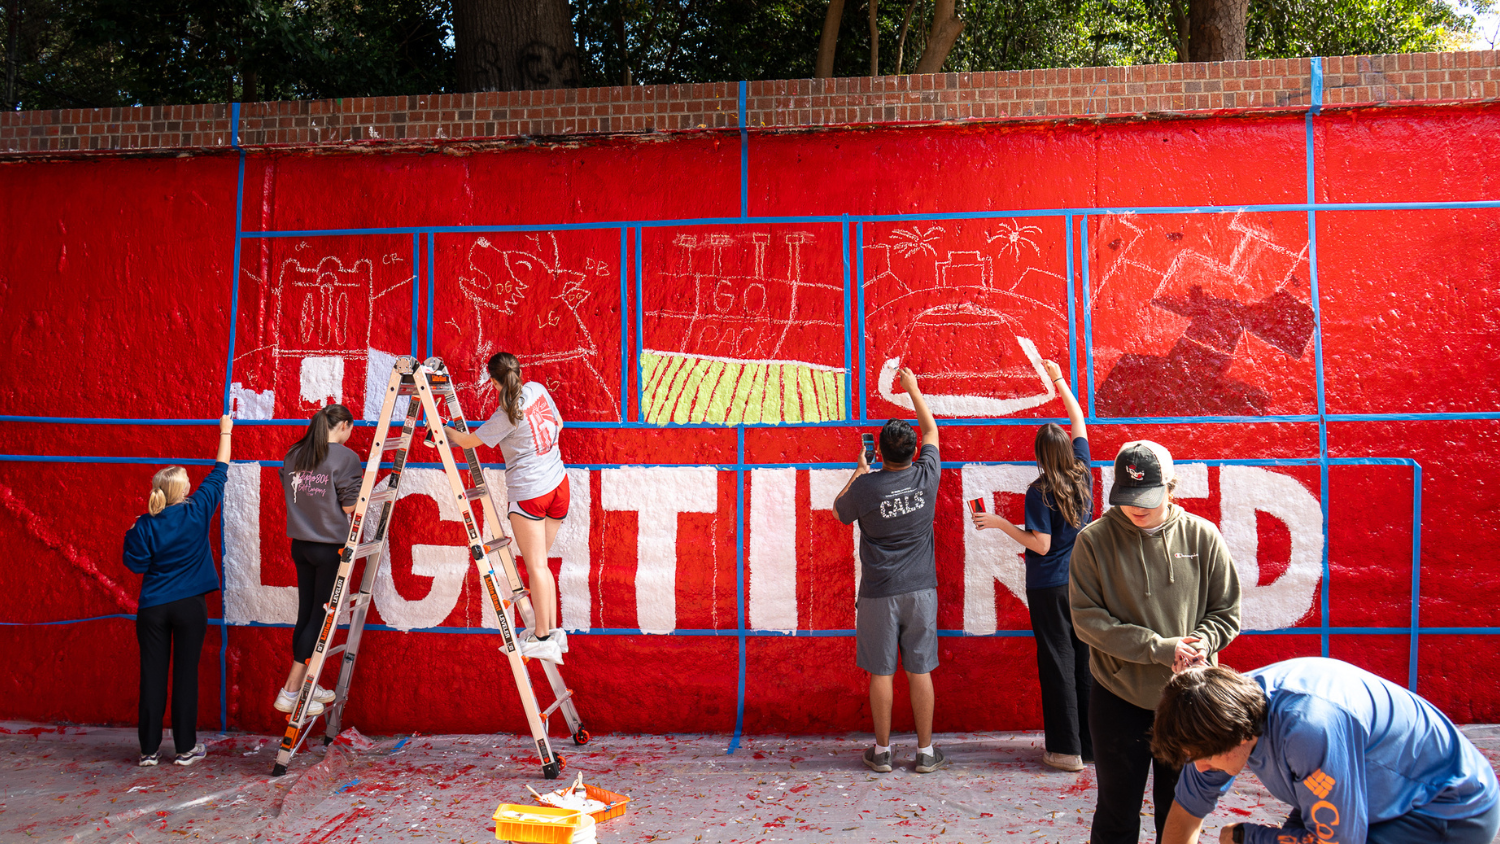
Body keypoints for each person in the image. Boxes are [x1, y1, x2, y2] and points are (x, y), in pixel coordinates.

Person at [1070, 439, 1241, 843]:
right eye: (1127, 497)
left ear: (1171, 487)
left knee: (1179, 809)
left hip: (1189, 700)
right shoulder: (1093, 541)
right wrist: (1160, 648)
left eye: (1147, 496)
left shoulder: (1202, 536)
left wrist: (1201, 643)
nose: (1136, 508)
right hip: (1119, 696)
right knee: (1116, 811)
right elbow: (1087, 620)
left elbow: (1227, 611)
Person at [1154, 659, 1500, 844]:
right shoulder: (1217, 712)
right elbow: (1186, 813)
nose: (1200, 768)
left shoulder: (1309, 729)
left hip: (1446, 811)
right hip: (1375, 796)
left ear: (1240, 736)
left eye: (1205, 758)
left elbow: (1340, 843)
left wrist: (1247, 837)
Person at [972, 359, 1093, 772]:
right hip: (1083, 586)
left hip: (1049, 587)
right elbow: (1078, 419)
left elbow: (1041, 545)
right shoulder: (1083, 474)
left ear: (1041, 456)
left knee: (1057, 664)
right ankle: (1090, 747)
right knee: (1084, 662)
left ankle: (1065, 751)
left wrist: (1000, 523)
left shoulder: (1039, 491)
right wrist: (1058, 378)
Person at [834, 367, 945, 774]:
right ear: (914, 452)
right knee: (920, 670)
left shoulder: (867, 487)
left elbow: (839, 511)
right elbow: (931, 430)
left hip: (879, 593)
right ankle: (925, 752)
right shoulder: (927, 475)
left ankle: (882, 752)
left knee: (881, 672)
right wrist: (913, 388)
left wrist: (860, 471)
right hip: (921, 591)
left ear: (879, 452)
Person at [441, 352, 569, 664]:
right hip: (559, 484)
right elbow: (559, 423)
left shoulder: (506, 413)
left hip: (530, 493)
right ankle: (552, 634)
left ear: (493, 381)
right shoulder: (538, 389)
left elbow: (468, 442)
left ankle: (542, 638)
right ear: (519, 372)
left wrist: (444, 431)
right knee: (542, 566)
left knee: (536, 567)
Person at [123, 415, 233, 767]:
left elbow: (136, 564)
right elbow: (220, 469)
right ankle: (185, 749)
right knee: (186, 676)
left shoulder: (144, 524)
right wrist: (226, 430)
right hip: (189, 607)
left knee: (151, 677)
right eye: (186, 480)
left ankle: (148, 751)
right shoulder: (198, 510)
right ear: (183, 490)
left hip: (153, 608)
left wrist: (133, 532)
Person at [276, 403, 361, 717]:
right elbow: (351, 507)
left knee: (306, 616)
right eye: (351, 430)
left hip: (301, 546)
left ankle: (304, 688)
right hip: (329, 549)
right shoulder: (345, 457)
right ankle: (290, 691)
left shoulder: (294, 453)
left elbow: (293, 492)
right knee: (320, 620)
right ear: (344, 425)